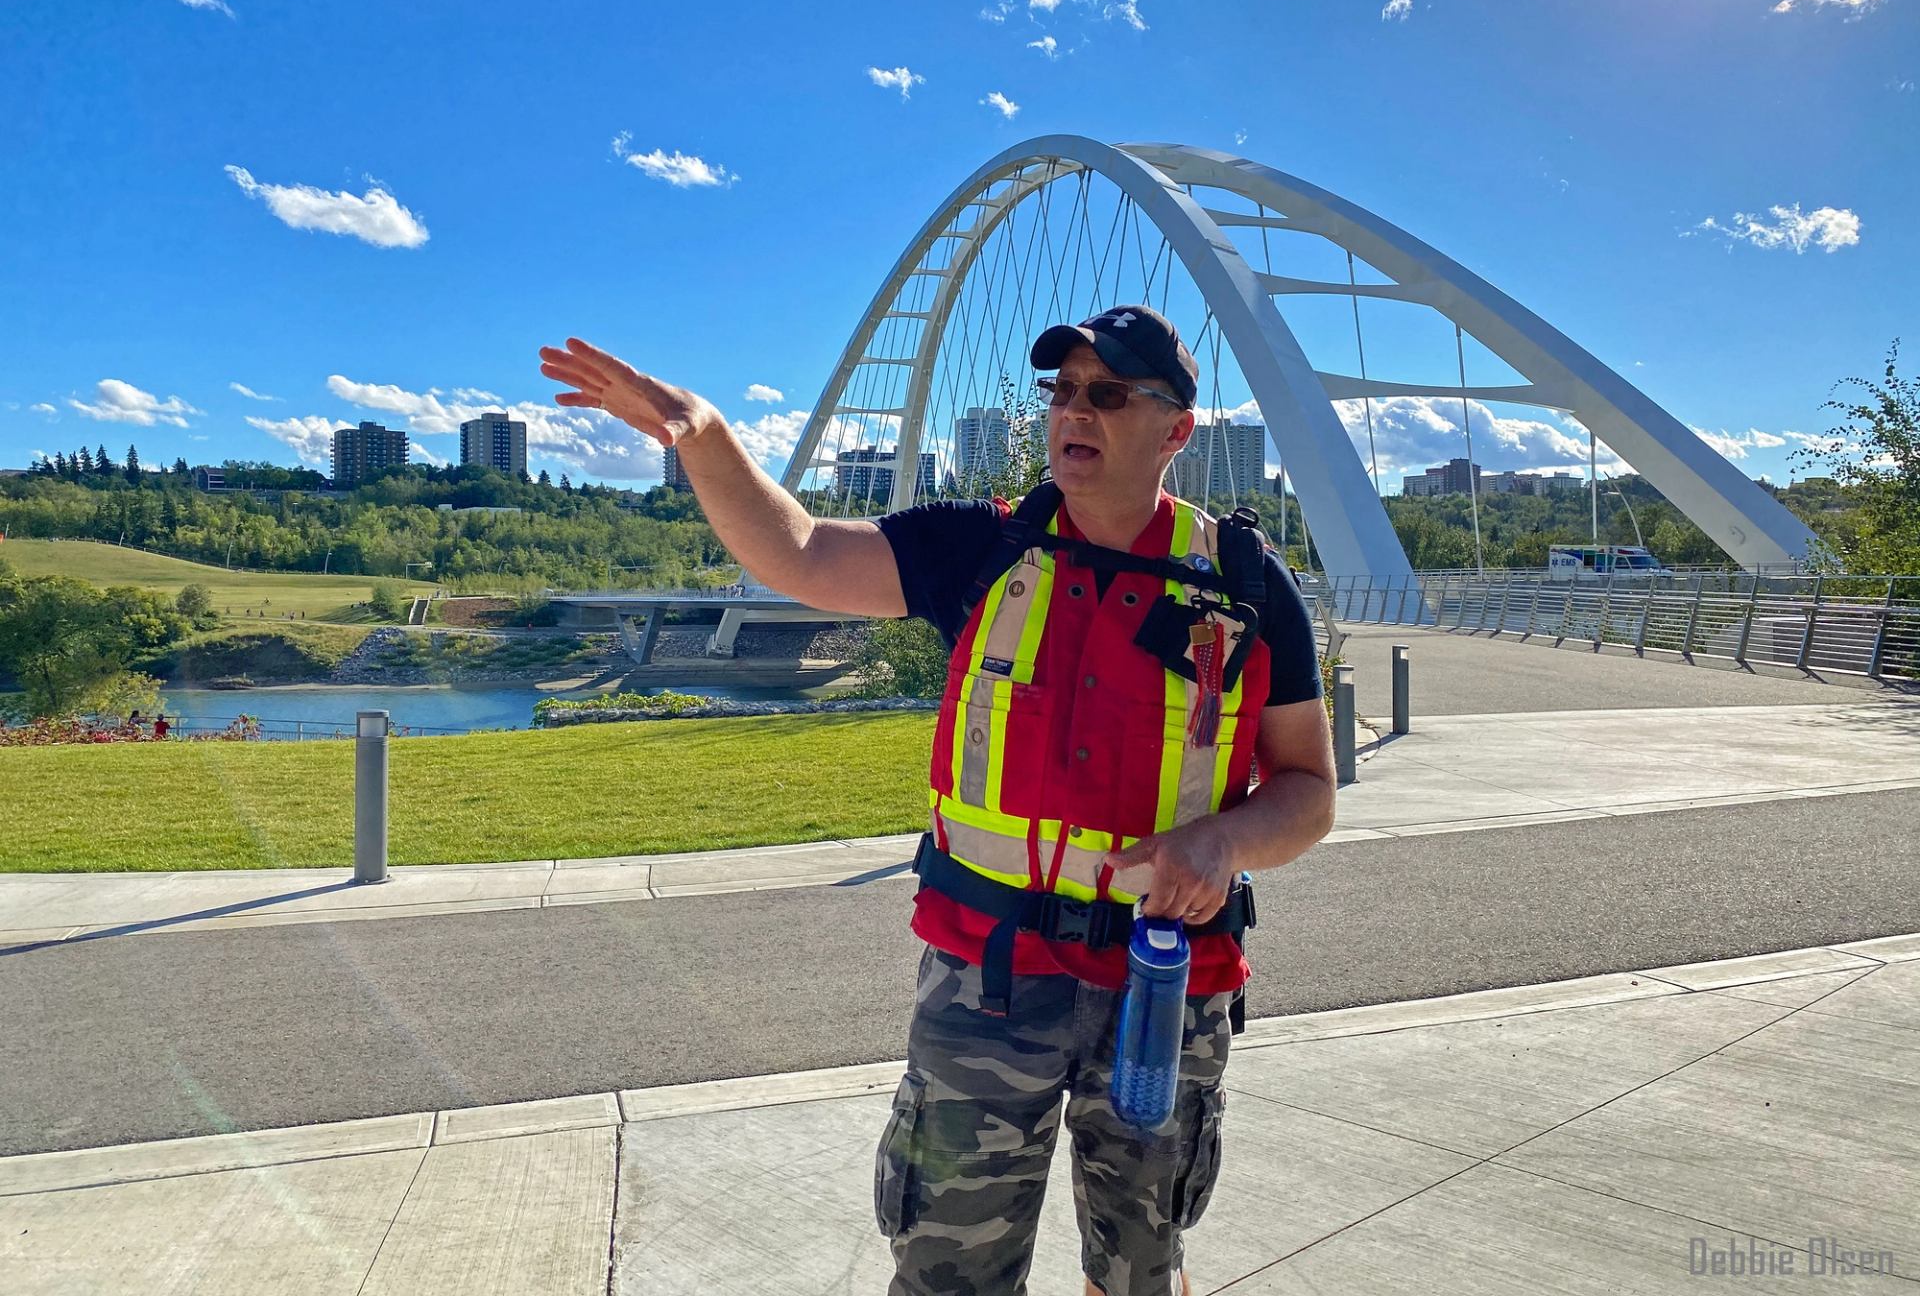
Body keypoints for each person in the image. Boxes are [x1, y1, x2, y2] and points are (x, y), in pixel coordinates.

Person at [539, 306, 1335, 1296]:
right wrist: (703, 436)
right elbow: (796, 554)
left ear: (1176, 431)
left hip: (1162, 988)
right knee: (947, 1276)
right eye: (1062, 392)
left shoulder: (1251, 590)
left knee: (1141, 1273)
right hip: (986, 985)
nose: (1072, 413)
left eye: (1108, 395)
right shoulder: (981, 549)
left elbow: (1307, 791)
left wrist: (1224, 841)